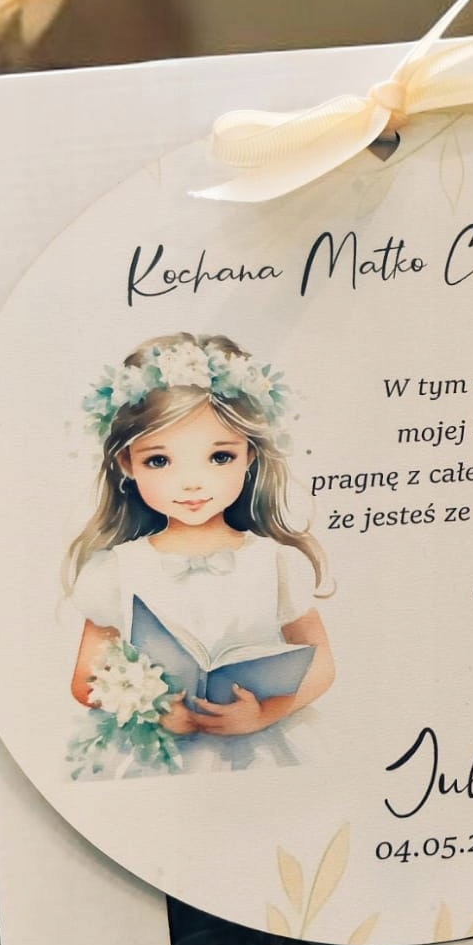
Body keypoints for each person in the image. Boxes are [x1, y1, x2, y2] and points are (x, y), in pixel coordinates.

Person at [65, 332, 334, 774]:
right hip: (158, 754)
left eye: (219, 457)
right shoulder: (117, 571)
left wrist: (263, 714)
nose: (192, 482)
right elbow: (85, 680)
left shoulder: (274, 562)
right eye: (159, 461)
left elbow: (320, 661)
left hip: (261, 749)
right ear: (127, 464)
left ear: (250, 455)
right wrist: (151, 709)